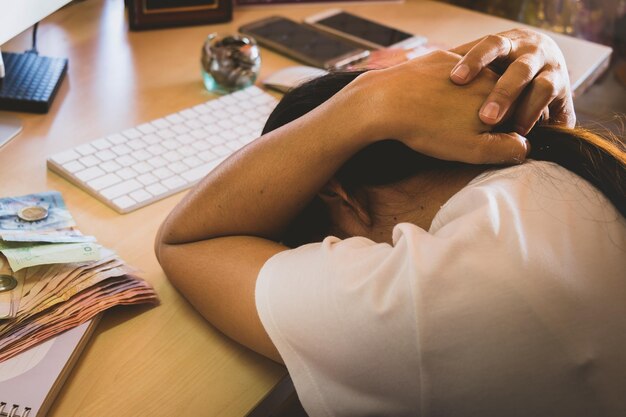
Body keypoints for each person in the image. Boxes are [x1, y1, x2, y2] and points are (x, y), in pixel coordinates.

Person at [155, 28, 626, 416]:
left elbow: (186, 240)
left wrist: (367, 101)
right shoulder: (574, 170)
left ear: (337, 194)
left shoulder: (421, 299)